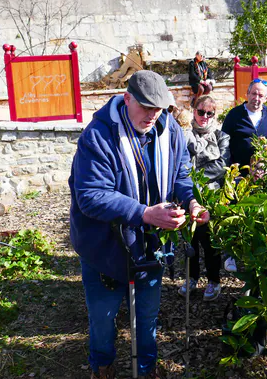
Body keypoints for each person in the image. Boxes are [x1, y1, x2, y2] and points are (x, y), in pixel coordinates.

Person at [69, 70, 210, 379]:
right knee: (103, 318)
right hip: (104, 248)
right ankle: (102, 366)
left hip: (150, 247)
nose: (152, 115)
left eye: (159, 108)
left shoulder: (169, 129)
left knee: (146, 316)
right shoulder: (98, 135)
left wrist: (191, 202)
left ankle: (145, 368)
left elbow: (181, 176)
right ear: (127, 98)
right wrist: (145, 213)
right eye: (145, 106)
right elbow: (90, 196)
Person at [180, 95, 230, 302]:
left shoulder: (221, 136)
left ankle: (213, 279)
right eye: (201, 112)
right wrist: (188, 185)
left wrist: (196, 178)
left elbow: (222, 165)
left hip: (211, 194)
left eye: (210, 113)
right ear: (194, 111)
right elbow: (180, 162)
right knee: (189, 239)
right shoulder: (183, 135)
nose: (205, 117)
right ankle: (191, 278)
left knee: (210, 241)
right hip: (186, 193)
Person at [221, 78, 267, 171]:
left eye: (260, 96)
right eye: (254, 94)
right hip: (239, 174)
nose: (256, 98)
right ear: (247, 94)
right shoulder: (234, 114)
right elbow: (223, 143)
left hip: (263, 174)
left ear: (266, 99)